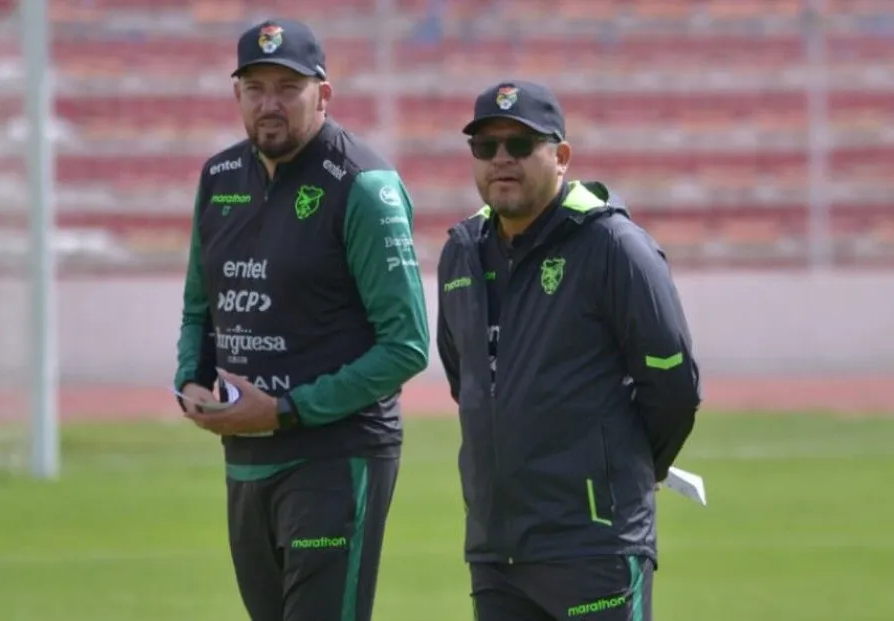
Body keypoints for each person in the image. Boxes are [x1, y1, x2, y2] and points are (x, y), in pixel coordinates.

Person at [172, 18, 430, 621]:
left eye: (287, 87)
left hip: (336, 457)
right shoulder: (219, 178)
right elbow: (198, 306)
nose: (269, 104)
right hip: (244, 455)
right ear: (236, 94)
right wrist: (190, 379)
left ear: (323, 93)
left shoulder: (363, 185)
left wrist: (288, 409)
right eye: (254, 87)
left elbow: (407, 345)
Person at [435, 80, 702, 621]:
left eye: (520, 144)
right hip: (497, 552)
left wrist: (623, 472)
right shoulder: (461, 253)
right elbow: (465, 377)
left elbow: (673, 387)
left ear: (560, 156)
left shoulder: (613, 247)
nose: (501, 160)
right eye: (485, 147)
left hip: (594, 545)